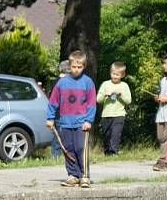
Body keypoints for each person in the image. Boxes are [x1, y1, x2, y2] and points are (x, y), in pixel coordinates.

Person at [46, 50, 96, 187]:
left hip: (81, 123)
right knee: (68, 148)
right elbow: (53, 101)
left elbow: (91, 103)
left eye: (79, 67)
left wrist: (88, 120)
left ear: (84, 66)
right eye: (74, 67)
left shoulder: (88, 82)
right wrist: (50, 118)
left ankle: (84, 175)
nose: (76, 70)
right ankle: (73, 175)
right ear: (69, 66)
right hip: (65, 122)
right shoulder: (62, 83)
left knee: (81, 148)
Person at [97, 62, 132, 156]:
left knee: (115, 133)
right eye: (113, 74)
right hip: (106, 114)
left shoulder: (124, 86)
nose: (115, 76)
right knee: (107, 134)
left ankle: (114, 151)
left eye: (117, 74)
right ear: (110, 73)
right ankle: (107, 151)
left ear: (122, 75)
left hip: (119, 114)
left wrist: (121, 95)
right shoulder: (105, 84)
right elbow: (98, 100)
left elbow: (128, 101)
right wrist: (105, 94)